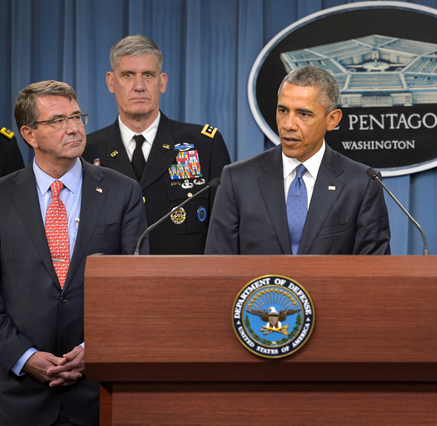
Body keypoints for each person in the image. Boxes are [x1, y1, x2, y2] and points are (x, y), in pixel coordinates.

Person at [0, 80, 148, 425]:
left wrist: (93, 351)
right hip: (17, 395)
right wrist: (23, 356)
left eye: (77, 116)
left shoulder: (122, 191)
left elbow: (135, 290)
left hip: (97, 393)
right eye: (57, 121)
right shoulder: (3, 197)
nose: (74, 128)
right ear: (29, 134)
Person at [205, 65, 390, 255]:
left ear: (332, 119)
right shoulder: (238, 179)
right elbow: (217, 267)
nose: (288, 124)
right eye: (283, 111)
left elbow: (374, 272)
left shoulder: (361, 184)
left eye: (303, 114)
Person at [83, 35, 230, 254]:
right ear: (111, 82)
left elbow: (224, 230)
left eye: (148, 75)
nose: (139, 86)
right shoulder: (87, 150)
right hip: (114, 284)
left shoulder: (203, 145)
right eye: (128, 75)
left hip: (185, 283)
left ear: (162, 82)